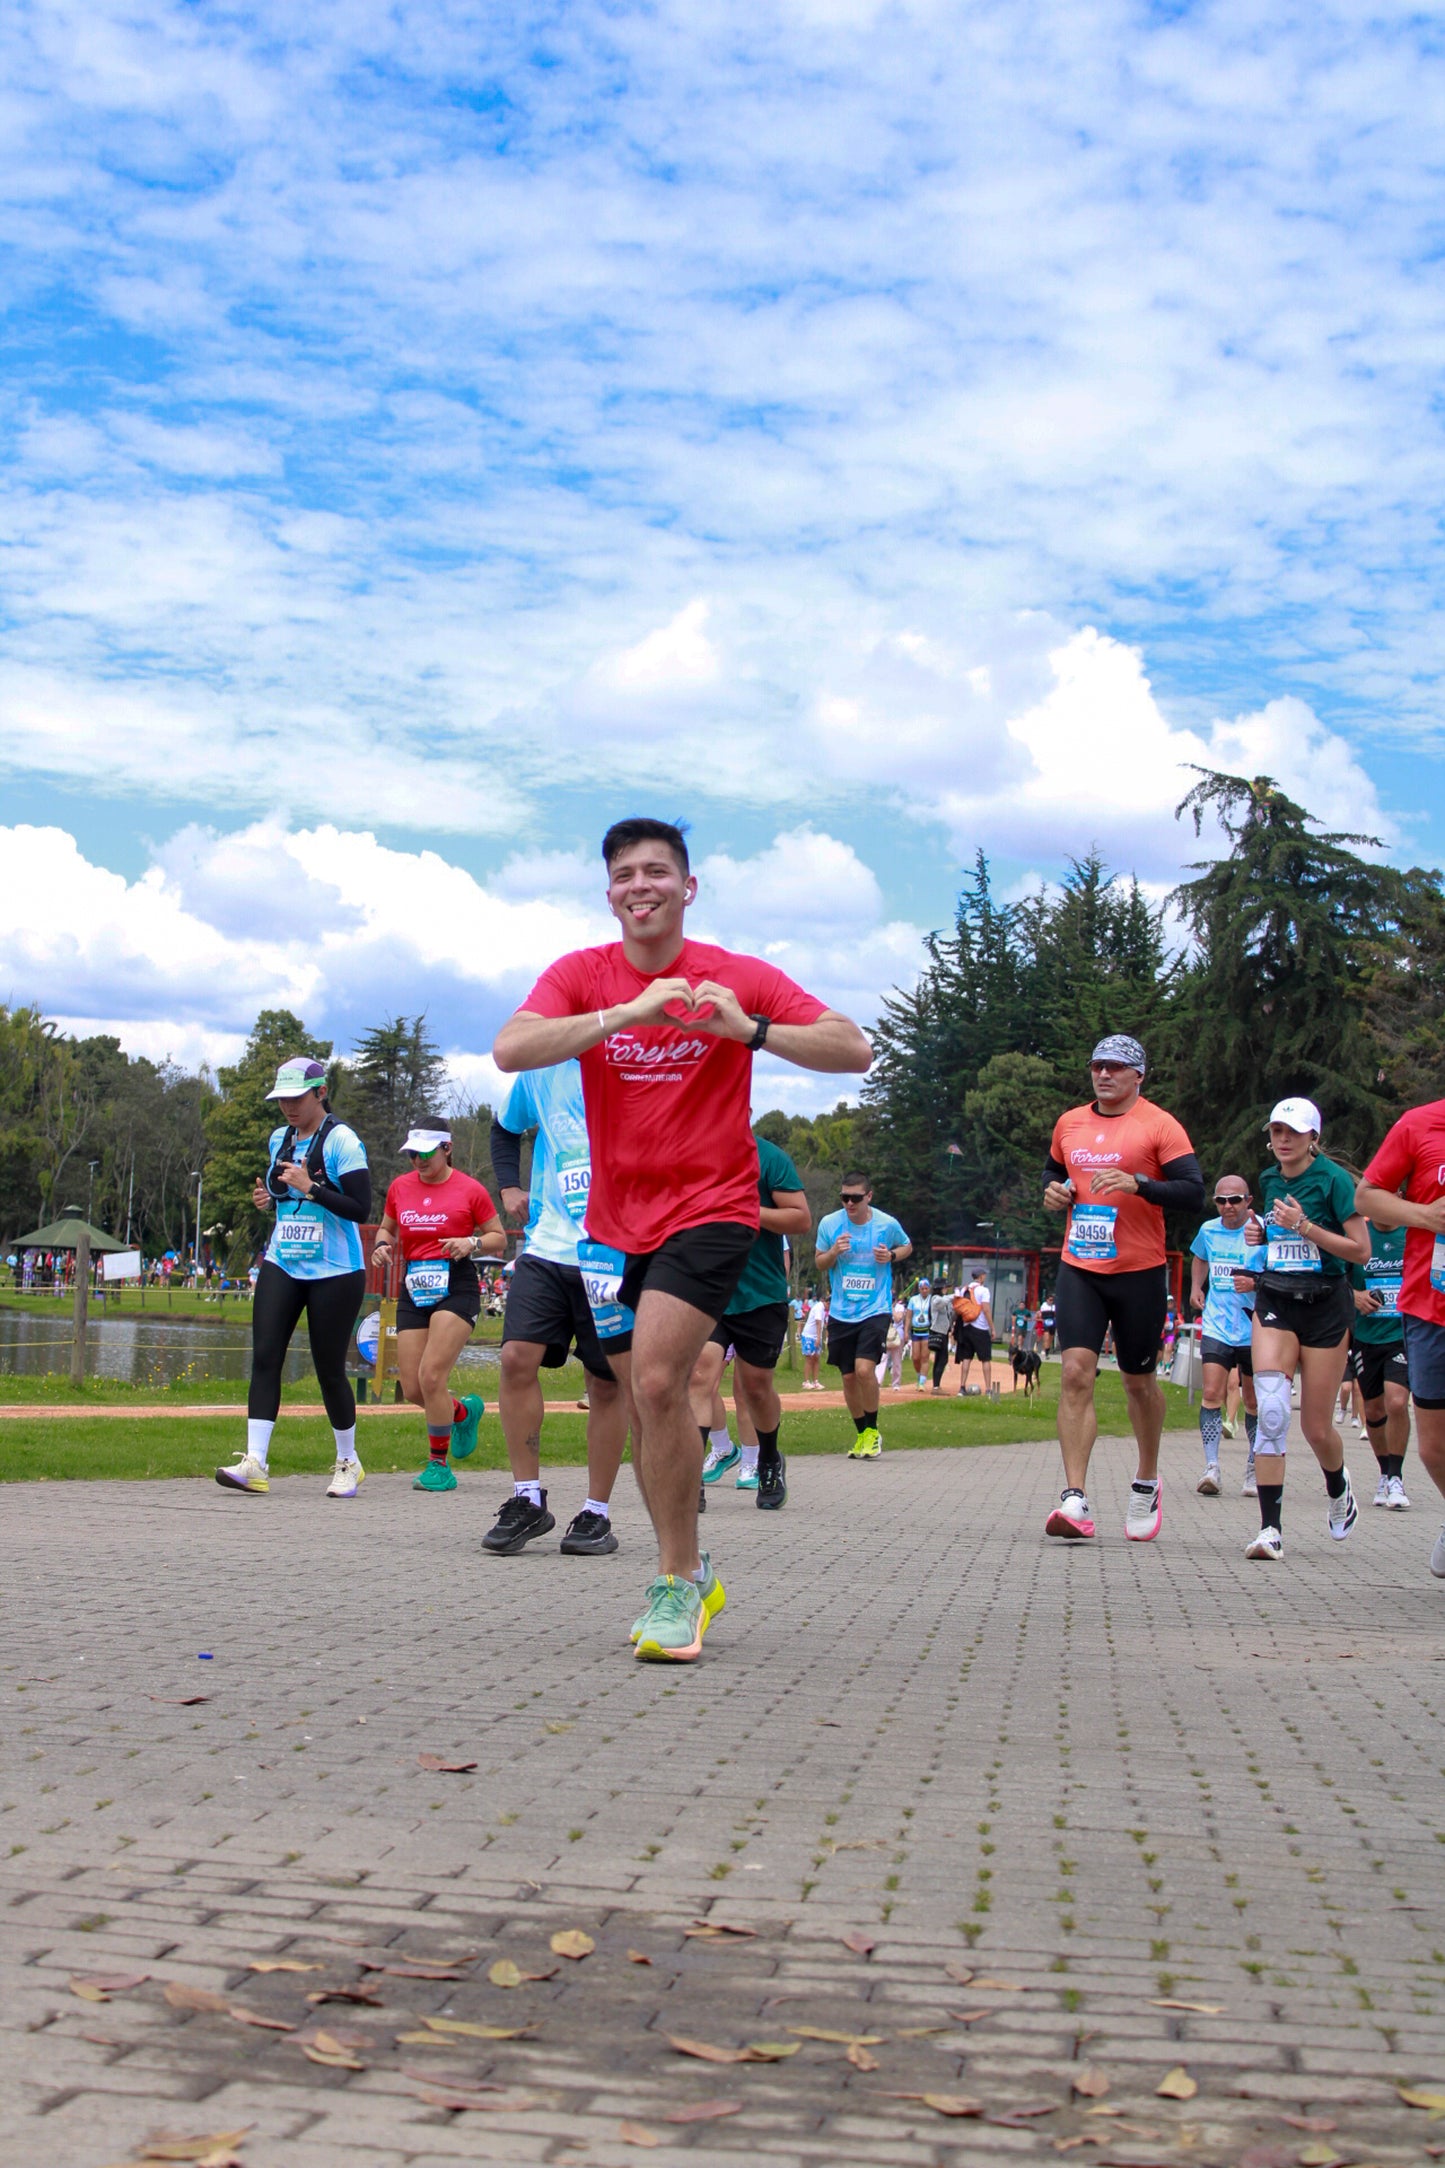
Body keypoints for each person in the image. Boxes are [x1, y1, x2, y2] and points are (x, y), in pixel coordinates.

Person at [492, 815, 871, 1661]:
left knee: (660, 1379)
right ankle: (691, 1573)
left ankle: (672, 1582)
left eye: (656, 872)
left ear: (686, 887)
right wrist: (624, 1011)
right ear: (609, 893)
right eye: (625, 874)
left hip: (712, 1207)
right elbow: (511, 1047)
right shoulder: (583, 975)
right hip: (614, 1222)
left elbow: (854, 1049)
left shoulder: (734, 976)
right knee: (646, 1400)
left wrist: (748, 1031)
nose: (641, 886)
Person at [1041, 1035, 1204, 1542]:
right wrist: (1052, 1191)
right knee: (1074, 1373)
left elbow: (1193, 1192)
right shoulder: (1070, 1122)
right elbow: (1053, 1170)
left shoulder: (1159, 1125)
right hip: (1081, 1267)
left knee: (1138, 1382)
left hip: (1138, 1271)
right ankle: (1074, 1498)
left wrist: (1141, 1185)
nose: (1103, 1074)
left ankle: (1147, 1478)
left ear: (1139, 1075)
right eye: (1096, 1066)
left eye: (1115, 1067)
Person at [488, 1060, 636, 1555]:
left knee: (606, 1381)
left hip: (614, 1250)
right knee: (515, 1358)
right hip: (547, 1244)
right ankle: (527, 1499)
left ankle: (596, 1513)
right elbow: (504, 1128)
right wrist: (509, 1185)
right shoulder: (543, 1066)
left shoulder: (636, 1056)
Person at [216, 1057, 371, 1499]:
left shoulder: (343, 1141)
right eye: (281, 1099)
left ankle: (348, 1461)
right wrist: (269, 1199)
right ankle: (255, 1462)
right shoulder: (279, 1140)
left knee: (328, 1370)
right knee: (265, 1356)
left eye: (296, 1098)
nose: (288, 1107)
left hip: (336, 1270)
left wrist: (312, 1188)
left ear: (321, 1093)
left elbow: (361, 1209)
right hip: (284, 1261)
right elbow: (286, 1196)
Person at [1239, 1098, 1370, 1561]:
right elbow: (1280, 1234)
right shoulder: (1270, 1178)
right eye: (1276, 1131)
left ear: (1313, 1136)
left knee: (1317, 1428)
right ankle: (1270, 1531)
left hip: (1326, 1306)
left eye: (1292, 1132)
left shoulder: (1335, 1180)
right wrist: (1264, 1232)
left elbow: (1360, 1251)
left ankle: (1339, 1487)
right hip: (1276, 1298)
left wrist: (1305, 1226)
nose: (1282, 1140)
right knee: (1272, 1412)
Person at [368, 1123, 503, 1492]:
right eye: (412, 1153)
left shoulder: (470, 1189)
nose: (417, 1160)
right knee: (413, 1388)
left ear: (447, 1148)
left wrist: (471, 1242)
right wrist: (381, 1246)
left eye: (425, 1153)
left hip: (455, 1286)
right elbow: (387, 1228)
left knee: (432, 1376)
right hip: (414, 1287)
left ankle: (438, 1466)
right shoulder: (400, 1187)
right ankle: (463, 1412)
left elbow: (499, 1237)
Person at [693, 1133, 811, 1510]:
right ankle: (687, 1476)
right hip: (708, 1291)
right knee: (699, 1375)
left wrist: (745, 1210)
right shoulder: (689, 1150)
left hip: (760, 1295)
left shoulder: (770, 1158)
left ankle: (769, 1459)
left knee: (756, 1388)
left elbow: (800, 1218)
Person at [1355, 1097, 1445, 1575]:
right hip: (1431, 1307)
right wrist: (1426, 1216)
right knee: (1433, 1447)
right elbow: (1367, 1197)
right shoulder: (1420, 1124)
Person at [814, 1175, 911, 1458]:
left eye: (855, 1198)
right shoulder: (830, 1224)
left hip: (875, 1309)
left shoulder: (886, 1223)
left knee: (864, 1370)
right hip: (842, 1312)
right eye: (844, 1197)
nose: (849, 1203)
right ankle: (862, 1434)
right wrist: (833, 1251)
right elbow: (820, 1262)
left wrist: (891, 1256)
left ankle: (872, 1430)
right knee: (847, 1379)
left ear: (869, 1196)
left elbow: (907, 1246)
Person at [1188, 1174, 1259, 1495]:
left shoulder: (1261, 1232)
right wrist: (1195, 1287)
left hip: (1255, 1327)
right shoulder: (1208, 1230)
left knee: (1254, 1401)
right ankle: (1212, 1467)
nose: (1228, 1206)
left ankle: (1255, 1465)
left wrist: (1256, 1284)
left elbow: (1276, 1269)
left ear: (1248, 1201)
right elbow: (1200, 1256)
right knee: (1212, 1393)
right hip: (1217, 1323)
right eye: (1221, 1200)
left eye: (1235, 1200)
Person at [1349, 1217, 1411, 1508]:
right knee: (1373, 1409)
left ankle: (1397, 1477)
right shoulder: (1358, 1234)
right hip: (1366, 1337)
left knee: (1396, 1402)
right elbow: (1336, 1279)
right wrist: (1356, 1296)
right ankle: (1385, 1472)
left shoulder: (1411, 1235)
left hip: (1403, 1335)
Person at [953, 1273, 995, 1396]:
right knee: (985, 1359)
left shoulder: (964, 1289)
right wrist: (992, 1328)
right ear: (981, 1277)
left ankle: (962, 1387)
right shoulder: (984, 1290)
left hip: (966, 1327)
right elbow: (986, 1309)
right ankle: (988, 1389)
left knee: (966, 1358)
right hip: (980, 1328)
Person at [927, 1281, 955, 1391]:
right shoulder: (936, 1299)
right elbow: (943, 1302)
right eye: (944, 1287)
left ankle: (936, 1385)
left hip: (944, 1332)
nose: (946, 1289)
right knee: (942, 1359)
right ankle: (936, 1386)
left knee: (941, 1358)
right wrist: (955, 1295)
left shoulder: (944, 1299)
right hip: (938, 1331)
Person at [907, 1279, 933, 1389]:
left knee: (924, 1357)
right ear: (919, 1289)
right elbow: (908, 1316)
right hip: (916, 1330)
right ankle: (919, 1376)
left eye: (926, 1288)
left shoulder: (932, 1299)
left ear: (929, 1289)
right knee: (916, 1357)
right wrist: (905, 1332)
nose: (924, 1291)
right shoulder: (913, 1300)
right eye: (922, 1289)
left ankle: (922, 1382)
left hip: (927, 1330)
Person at [800, 1290, 827, 1388]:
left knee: (816, 1358)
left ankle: (816, 1381)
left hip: (816, 1336)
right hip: (809, 1336)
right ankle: (806, 1381)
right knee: (809, 1358)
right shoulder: (819, 1308)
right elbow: (818, 1323)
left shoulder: (823, 1309)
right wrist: (819, 1338)